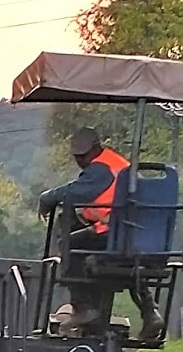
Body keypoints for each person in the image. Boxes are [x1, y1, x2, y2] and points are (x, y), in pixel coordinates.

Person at [35, 128, 131, 333]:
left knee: (68, 243)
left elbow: (77, 192)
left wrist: (47, 198)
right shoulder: (116, 163)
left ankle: (83, 306)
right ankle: (146, 312)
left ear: (96, 148)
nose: (81, 162)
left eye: (83, 156)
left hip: (109, 232)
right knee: (75, 233)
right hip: (124, 230)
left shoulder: (101, 168)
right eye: (77, 157)